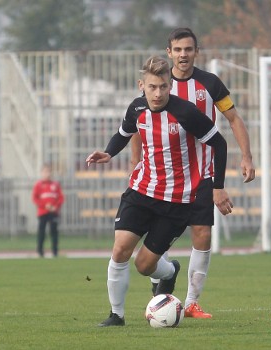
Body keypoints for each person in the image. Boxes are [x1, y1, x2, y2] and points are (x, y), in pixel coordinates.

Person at [86, 55, 232, 327]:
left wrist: (218, 186)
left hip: (177, 201)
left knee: (144, 266)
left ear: (169, 86)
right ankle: (116, 315)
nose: (158, 92)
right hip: (141, 191)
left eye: (163, 86)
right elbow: (124, 132)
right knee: (120, 250)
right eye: (152, 87)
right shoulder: (137, 108)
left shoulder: (186, 113)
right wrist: (108, 153)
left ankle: (170, 270)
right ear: (142, 85)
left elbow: (219, 145)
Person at [130, 27, 256, 319]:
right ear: (169, 52)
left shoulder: (210, 83)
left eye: (188, 49)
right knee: (153, 239)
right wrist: (136, 161)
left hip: (203, 173)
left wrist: (246, 156)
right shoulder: (157, 83)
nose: (183, 55)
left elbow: (234, 118)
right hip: (163, 177)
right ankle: (161, 273)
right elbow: (138, 119)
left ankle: (190, 302)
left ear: (196, 52)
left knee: (202, 232)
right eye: (178, 49)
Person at [32, 164, 64, 258]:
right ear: (42, 173)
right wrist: (44, 205)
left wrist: (55, 206)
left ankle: (55, 251)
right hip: (43, 212)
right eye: (45, 171)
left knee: (54, 232)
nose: (47, 174)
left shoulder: (55, 185)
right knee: (41, 232)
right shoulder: (38, 185)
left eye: (49, 171)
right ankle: (40, 251)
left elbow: (60, 198)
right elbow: (35, 198)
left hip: (53, 212)